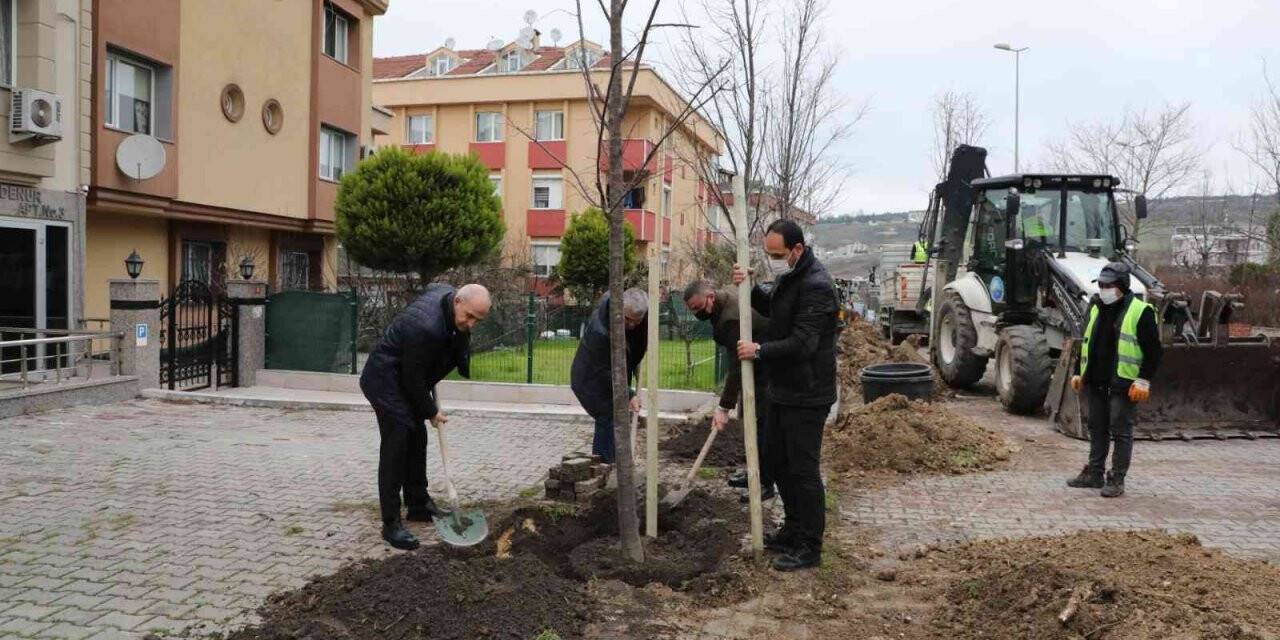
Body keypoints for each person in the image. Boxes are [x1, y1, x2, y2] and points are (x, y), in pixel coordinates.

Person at [733, 219, 839, 571]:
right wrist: (749, 288)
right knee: (777, 462)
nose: (773, 261)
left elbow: (804, 343)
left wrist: (759, 351)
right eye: (769, 254)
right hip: (783, 390)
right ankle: (792, 530)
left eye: (777, 255)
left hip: (808, 393)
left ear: (797, 249)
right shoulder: (791, 277)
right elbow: (774, 309)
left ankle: (810, 546)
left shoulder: (817, 285)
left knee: (803, 471)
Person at [359, 283, 492, 550]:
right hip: (385, 380)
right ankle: (391, 524)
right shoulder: (425, 327)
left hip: (406, 376)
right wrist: (430, 410)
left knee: (417, 438)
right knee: (397, 446)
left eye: (478, 320)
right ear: (458, 302)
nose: (471, 324)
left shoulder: (448, 298)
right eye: (469, 316)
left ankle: (418, 504)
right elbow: (413, 377)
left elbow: (432, 287)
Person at [1067, 262, 1162, 498]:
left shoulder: (1141, 311)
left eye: (1108, 285)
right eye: (1100, 285)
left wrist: (1143, 379)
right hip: (1097, 381)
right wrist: (1079, 371)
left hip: (1123, 384)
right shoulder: (1095, 308)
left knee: (1121, 432)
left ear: (1122, 286)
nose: (1103, 289)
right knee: (1097, 428)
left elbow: (1154, 352)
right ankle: (1094, 474)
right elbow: (1086, 342)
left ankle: (1117, 479)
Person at [682, 280, 775, 503]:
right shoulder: (722, 304)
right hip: (756, 365)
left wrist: (724, 407)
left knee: (761, 427)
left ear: (710, 296)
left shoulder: (730, 319)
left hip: (767, 368)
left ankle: (765, 483)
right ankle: (753, 472)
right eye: (692, 310)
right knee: (750, 422)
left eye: (698, 307)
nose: (697, 313)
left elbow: (736, 366)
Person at [570, 288, 649, 464]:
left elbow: (638, 342)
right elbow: (605, 372)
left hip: (614, 369)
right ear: (618, 310)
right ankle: (603, 465)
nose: (632, 325)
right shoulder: (599, 333)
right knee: (607, 416)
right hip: (590, 377)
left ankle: (616, 462)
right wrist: (630, 394)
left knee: (618, 416)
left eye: (637, 321)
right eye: (628, 320)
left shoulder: (638, 313)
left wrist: (635, 365)